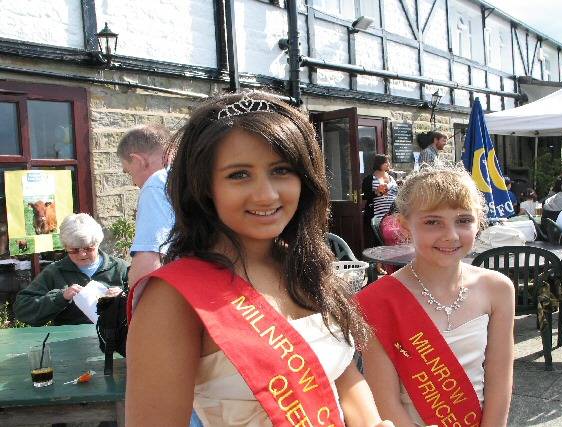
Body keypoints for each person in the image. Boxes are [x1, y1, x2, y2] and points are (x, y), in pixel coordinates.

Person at [125, 92, 391, 427]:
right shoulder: (174, 298)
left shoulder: (303, 267)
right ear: (205, 186)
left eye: (281, 170)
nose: (266, 194)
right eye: (239, 174)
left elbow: (343, 374)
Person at [357, 165, 515, 427]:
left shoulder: (497, 289)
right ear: (405, 225)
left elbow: (500, 380)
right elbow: (384, 401)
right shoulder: (376, 301)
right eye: (432, 222)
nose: (450, 235)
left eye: (463, 220)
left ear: (478, 222)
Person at [14, 213, 128, 326]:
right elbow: (22, 309)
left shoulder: (120, 268)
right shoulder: (54, 272)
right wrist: (60, 297)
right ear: (65, 247)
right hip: (70, 340)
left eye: (88, 248)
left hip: (116, 339)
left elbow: (144, 304)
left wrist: (124, 298)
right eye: (74, 250)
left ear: (98, 243)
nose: (82, 254)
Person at [117, 124, 174, 286]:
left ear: (138, 160)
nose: (134, 183)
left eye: (128, 172)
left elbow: (149, 262)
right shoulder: (192, 174)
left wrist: (132, 302)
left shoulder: (157, 183)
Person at [370, 154, 398, 220]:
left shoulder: (391, 177)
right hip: (380, 215)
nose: (388, 164)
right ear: (379, 164)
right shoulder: (372, 179)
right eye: (386, 162)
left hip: (394, 214)